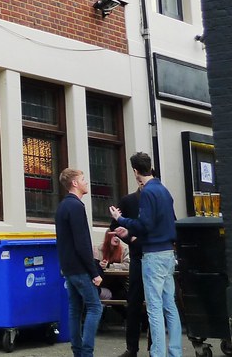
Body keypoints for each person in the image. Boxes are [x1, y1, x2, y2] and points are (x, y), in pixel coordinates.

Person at [111, 153, 182, 357]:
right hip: (168, 253)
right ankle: (175, 352)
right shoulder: (164, 191)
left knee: (154, 308)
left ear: (135, 171)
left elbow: (145, 225)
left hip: (153, 255)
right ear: (150, 167)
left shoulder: (148, 193)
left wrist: (121, 220)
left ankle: (158, 353)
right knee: (170, 306)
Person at [55, 168, 103, 357]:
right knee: (95, 307)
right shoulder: (76, 207)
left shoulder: (62, 206)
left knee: (75, 309)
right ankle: (86, 352)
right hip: (81, 268)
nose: (86, 182)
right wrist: (94, 272)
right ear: (74, 183)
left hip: (68, 267)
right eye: (83, 179)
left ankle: (77, 351)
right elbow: (81, 243)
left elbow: (63, 240)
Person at [113, 184, 146, 357]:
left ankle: (155, 347)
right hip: (137, 258)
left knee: (157, 304)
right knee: (133, 302)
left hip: (155, 256)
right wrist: (129, 238)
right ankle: (131, 348)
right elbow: (114, 226)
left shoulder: (159, 199)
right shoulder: (128, 201)